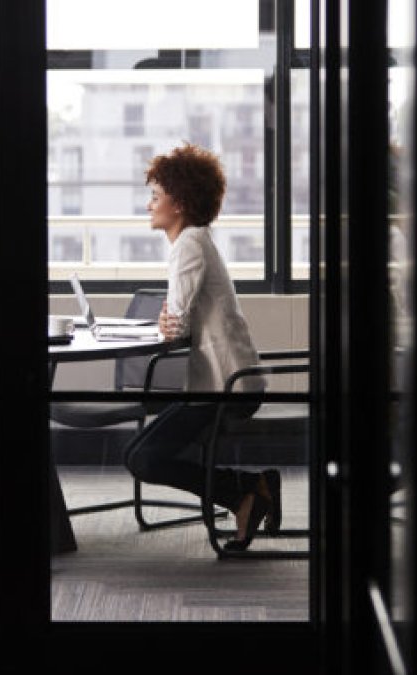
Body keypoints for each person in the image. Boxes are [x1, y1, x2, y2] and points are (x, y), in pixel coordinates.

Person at [124, 143, 280, 551]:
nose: (149, 205)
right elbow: (177, 322)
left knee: (143, 458)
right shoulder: (195, 240)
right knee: (139, 454)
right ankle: (247, 488)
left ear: (179, 202)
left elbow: (175, 326)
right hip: (219, 384)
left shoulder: (189, 245)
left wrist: (167, 324)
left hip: (226, 388)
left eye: (155, 196)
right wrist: (168, 322)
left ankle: (245, 492)